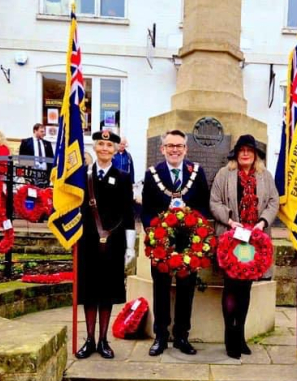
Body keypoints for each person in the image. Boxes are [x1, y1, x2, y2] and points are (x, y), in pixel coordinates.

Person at [140, 130, 210, 357]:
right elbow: (147, 209)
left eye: (179, 146)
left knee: (186, 290)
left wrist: (196, 231)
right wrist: (155, 233)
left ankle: (182, 336)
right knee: (160, 288)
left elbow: (203, 206)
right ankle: (161, 336)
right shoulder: (153, 174)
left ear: (185, 149)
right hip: (162, 244)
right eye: (170, 145)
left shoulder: (196, 173)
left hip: (189, 245)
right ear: (163, 149)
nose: (174, 150)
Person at [210, 135, 279, 359]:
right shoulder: (224, 174)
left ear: (256, 154)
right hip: (231, 238)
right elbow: (215, 201)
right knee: (231, 287)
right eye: (242, 150)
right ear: (236, 153)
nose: (246, 154)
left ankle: (240, 335)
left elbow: (273, 202)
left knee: (246, 290)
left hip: (254, 242)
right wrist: (230, 221)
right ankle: (230, 337)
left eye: (250, 150)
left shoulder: (265, 176)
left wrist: (261, 223)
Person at [75, 130, 136, 359]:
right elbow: (74, 206)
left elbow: (128, 213)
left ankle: (103, 340)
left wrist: (130, 247)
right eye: (100, 144)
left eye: (109, 146)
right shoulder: (83, 174)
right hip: (88, 241)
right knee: (90, 292)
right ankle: (89, 339)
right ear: (95, 147)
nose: (104, 149)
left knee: (107, 293)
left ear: (115, 150)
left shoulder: (122, 177)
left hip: (113, 242)